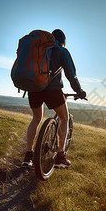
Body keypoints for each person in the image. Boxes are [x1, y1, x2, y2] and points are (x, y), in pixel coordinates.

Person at [22, 29, 86, 168]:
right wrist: (79, 91)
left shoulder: (39, 49)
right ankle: (60, 157)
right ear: (63, 41)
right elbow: (71, 75)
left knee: (36, 118)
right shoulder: (62, 51)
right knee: (64, 118)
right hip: (52, 90)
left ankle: (28, 156)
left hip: (34, 89)